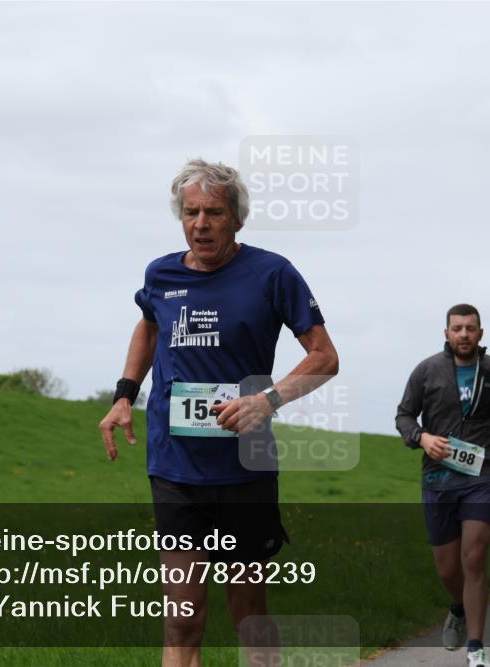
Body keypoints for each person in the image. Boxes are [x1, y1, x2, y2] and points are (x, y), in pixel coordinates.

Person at [98, 159, 339, 665]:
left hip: (242, 466)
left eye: (213, 213)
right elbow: (148, 324)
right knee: (182, 614)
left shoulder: (272, 273)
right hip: (175, 465)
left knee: (248, 611)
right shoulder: (160, 274)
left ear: (237, 219)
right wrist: (124, 395)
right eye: (191, 213)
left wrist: (265, 400)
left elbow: (325, 357)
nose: (201, 224)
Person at [396, 303, 490, 667]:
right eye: (456, 328)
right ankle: (457, 608)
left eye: (470, 328)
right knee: (447, 569)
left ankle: (476, 648)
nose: (463, 334)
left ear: (480, 333)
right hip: (438, 478)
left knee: (474, 556)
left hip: (484, 475)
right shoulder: (426, 371)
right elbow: (404, 415)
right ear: (446, 333)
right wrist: (422, 438)